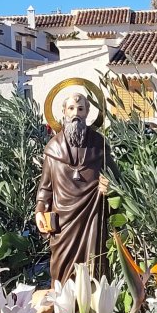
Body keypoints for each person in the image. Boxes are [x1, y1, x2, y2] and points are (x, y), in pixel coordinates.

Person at [35, 92, 117, 283]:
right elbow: (45, 186)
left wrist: (110, 188)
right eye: (71, 108)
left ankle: (94, 311)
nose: (76, 113)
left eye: (80, 109)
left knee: (93, 272)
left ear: (87, 112)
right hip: (63, 222)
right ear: (63, 112)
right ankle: (63, 310)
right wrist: (40, 210)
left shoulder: (99, 145)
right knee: (61, 270)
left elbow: (117, 180)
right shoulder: (53, 148)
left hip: (92, 217)